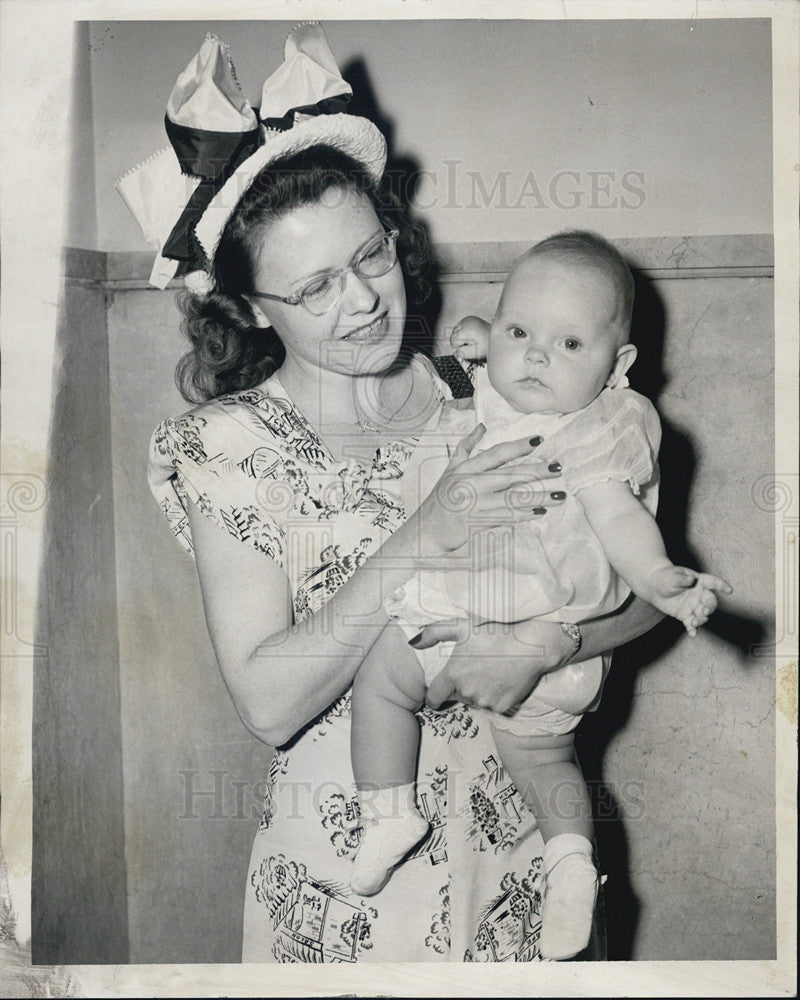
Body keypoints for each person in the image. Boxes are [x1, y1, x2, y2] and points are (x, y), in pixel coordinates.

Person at [139, 23, 665, 963]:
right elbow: (266, 702)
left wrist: (551, 639)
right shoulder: (223, 447)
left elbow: (646, 594)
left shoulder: (490, 391)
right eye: (317, 288)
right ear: (253, 307)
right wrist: (423, 536)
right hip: (352, 880)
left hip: (519, 853)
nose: (367, 302)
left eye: (371, 257)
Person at [347, 231, 732, 960]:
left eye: (568, 345)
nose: (534, 357)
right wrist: (479, 343)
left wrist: (659, 580)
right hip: (451, 610)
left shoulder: (600, 432)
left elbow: (622, 525)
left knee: (546, 761)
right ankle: (390, 811)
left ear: (616, 367)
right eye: (520, 331)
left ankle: (569, 869)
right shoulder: (495, 391)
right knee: (382, 680)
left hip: (542, 623)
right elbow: (480, 368)